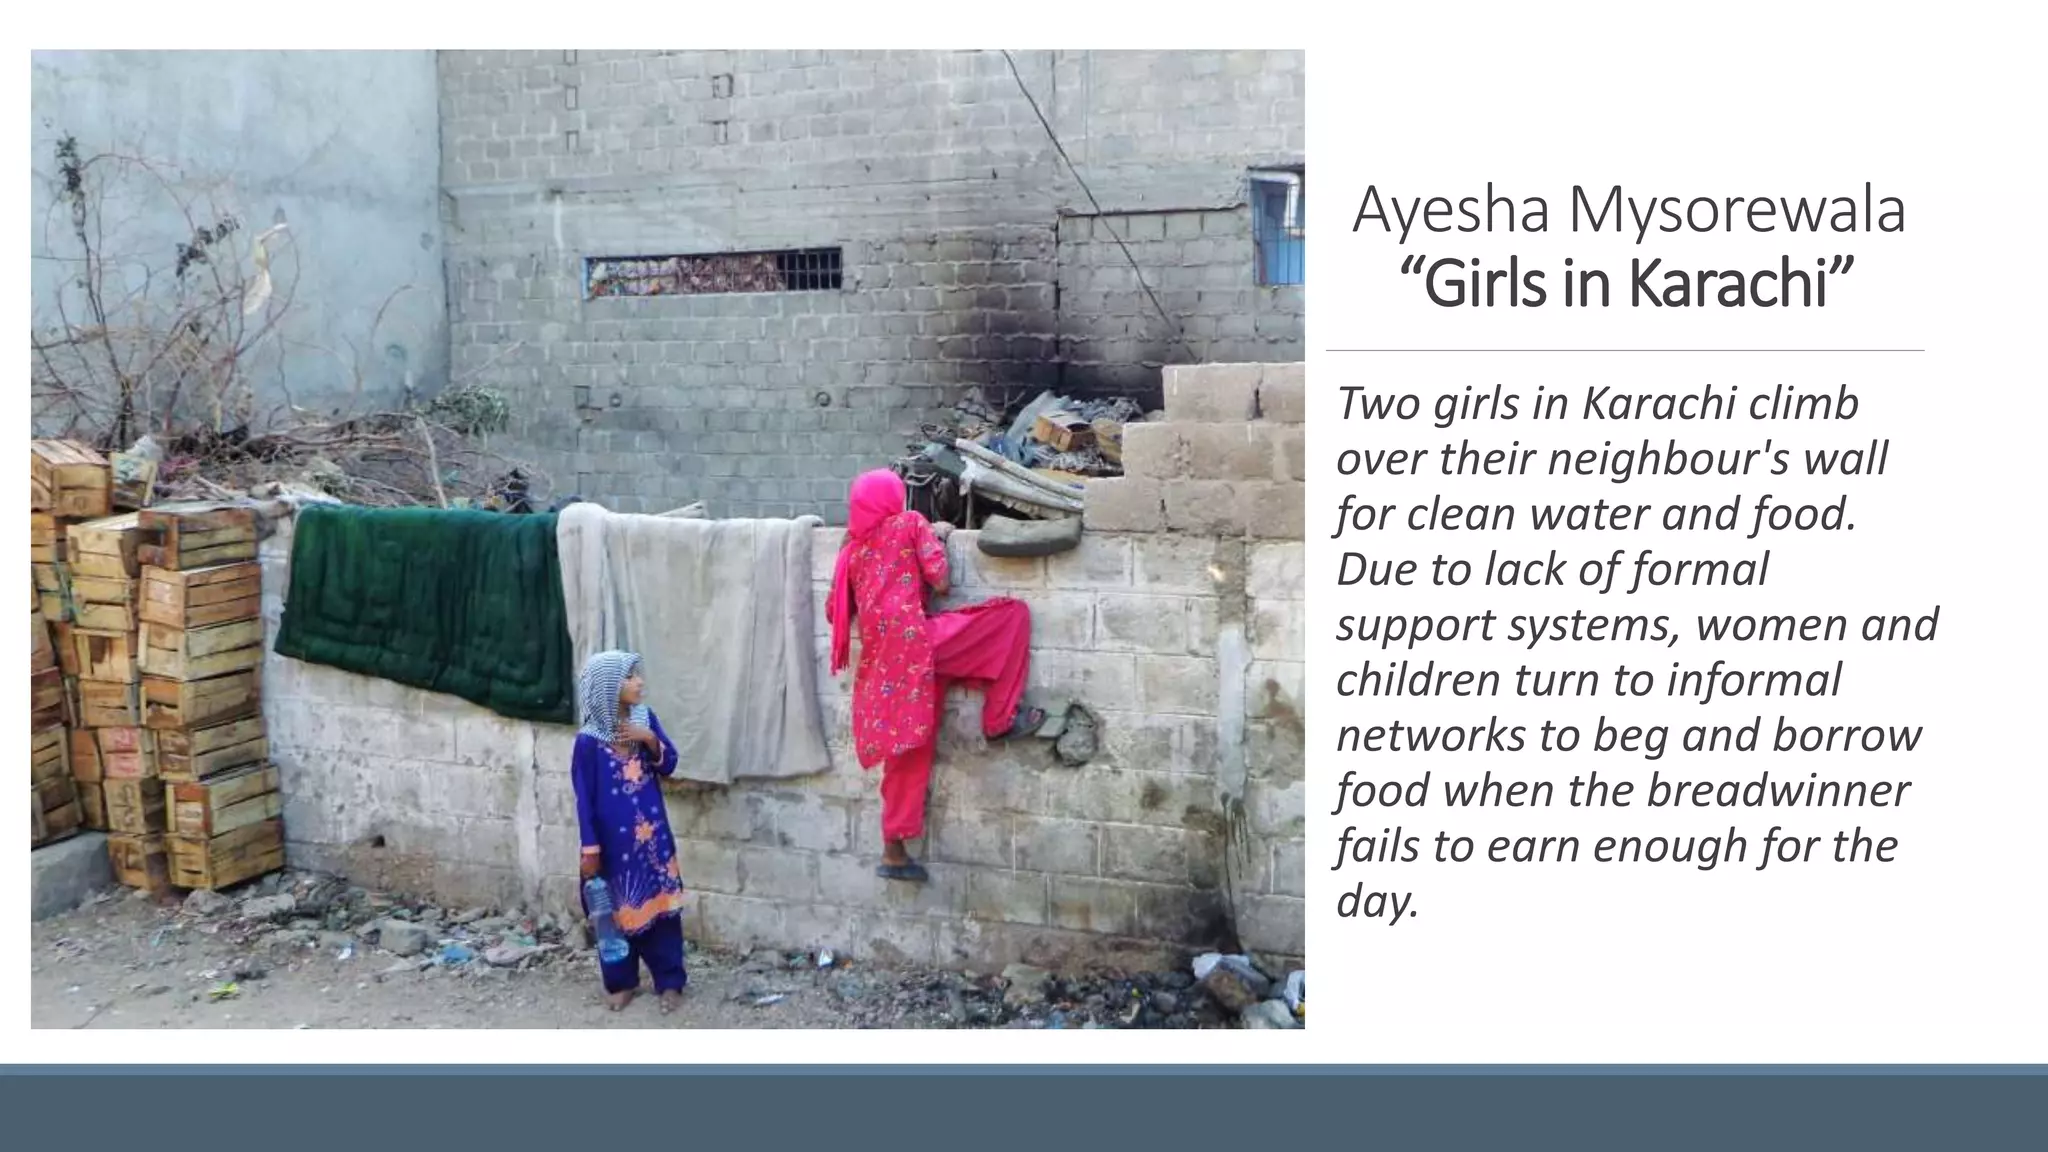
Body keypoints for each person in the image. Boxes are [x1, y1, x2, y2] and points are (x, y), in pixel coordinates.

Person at [826, 469, 1044, 882]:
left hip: (884, 667)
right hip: (921, 645)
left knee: (908, 751)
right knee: (1011, 618)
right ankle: (999, 720)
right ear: (893, 498)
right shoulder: (909, 523)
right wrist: (940, 536)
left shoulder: (851, 550)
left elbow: (835, 611)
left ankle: (893, 851)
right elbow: (941, 581)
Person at [570, 650, 688, 1012]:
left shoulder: (644, 719)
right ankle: (621, 982)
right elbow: (584, 798)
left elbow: (669, 763)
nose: (639, 682)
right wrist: (590, 847)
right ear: (608, 687)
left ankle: (670, 981)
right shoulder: (588, 741)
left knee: (663, 910)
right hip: (610, 847)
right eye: (629, 677)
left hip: (653, 842)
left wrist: (649, 738)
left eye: (637, 675)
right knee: (612, 914)